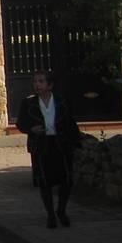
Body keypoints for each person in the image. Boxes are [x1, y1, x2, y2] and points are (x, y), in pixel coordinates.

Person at [16, 69, 82, 229]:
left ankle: (61, 209)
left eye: (41, 81)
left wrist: (75, 142)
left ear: (50, 85)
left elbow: (70, 123)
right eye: (35, 82)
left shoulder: (61, 101)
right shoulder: (29, 103)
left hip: (60, 144)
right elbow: (21, 123)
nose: (37, 85)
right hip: (41, 145)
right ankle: (50, 214)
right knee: (45, 182)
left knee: (66, 180)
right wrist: (32, 129)